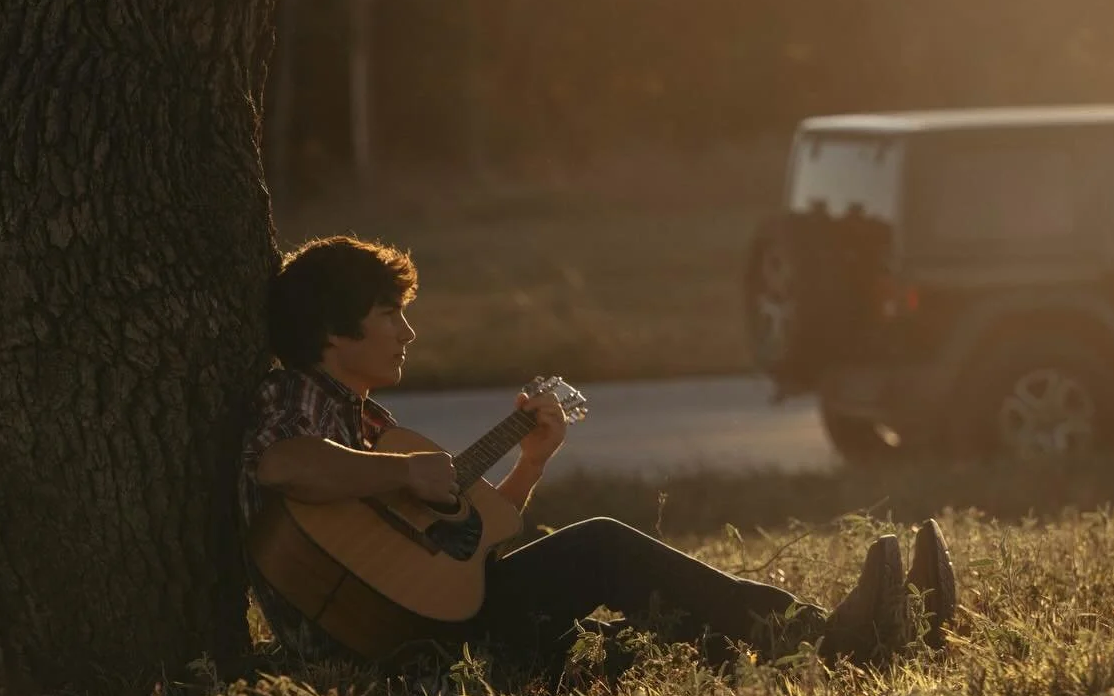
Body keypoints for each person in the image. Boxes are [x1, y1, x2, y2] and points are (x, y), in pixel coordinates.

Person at [239, 235, 956, 670]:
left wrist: (530, 464)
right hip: (390, 649)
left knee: (647, 624)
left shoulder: (367, 421)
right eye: (389, 315)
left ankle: (881, 631)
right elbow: (282, 464)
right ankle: (842, 640)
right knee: (602, 548)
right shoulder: (298, 394)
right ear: (334, 332)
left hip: (434, 624)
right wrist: (403, 470)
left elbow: (458, 553)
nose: (408, 333)